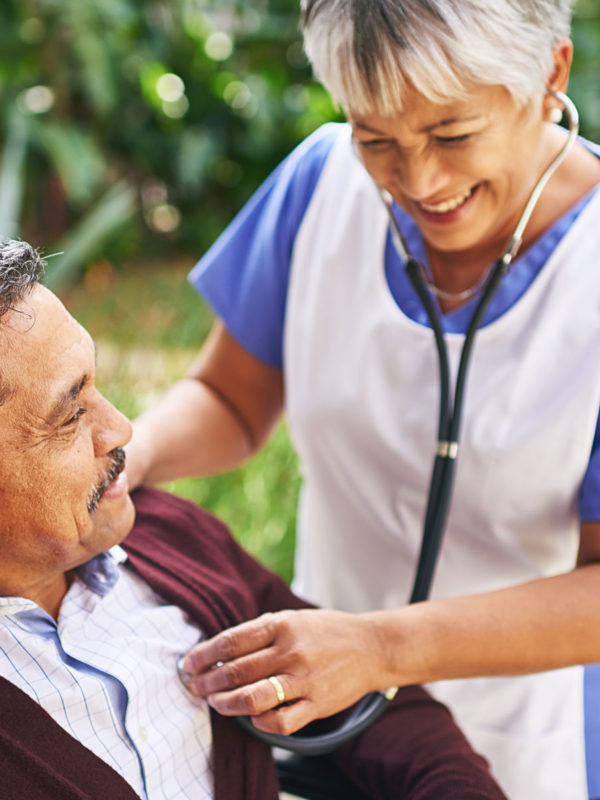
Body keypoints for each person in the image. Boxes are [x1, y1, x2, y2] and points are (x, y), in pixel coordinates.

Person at [125, 2, 600, 798]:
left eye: (452, 134)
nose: (419, 181)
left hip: (531, 739)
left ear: (549, 76)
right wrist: (136, 450)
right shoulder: (320, 183)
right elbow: (231, 402)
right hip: (324, 722)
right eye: (375, 136)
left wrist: (384, 648)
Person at [0, 239, 507, 799]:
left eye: (96, 385)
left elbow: (374, 704)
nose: (121, 429)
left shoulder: (172, 541)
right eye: (71, 415)